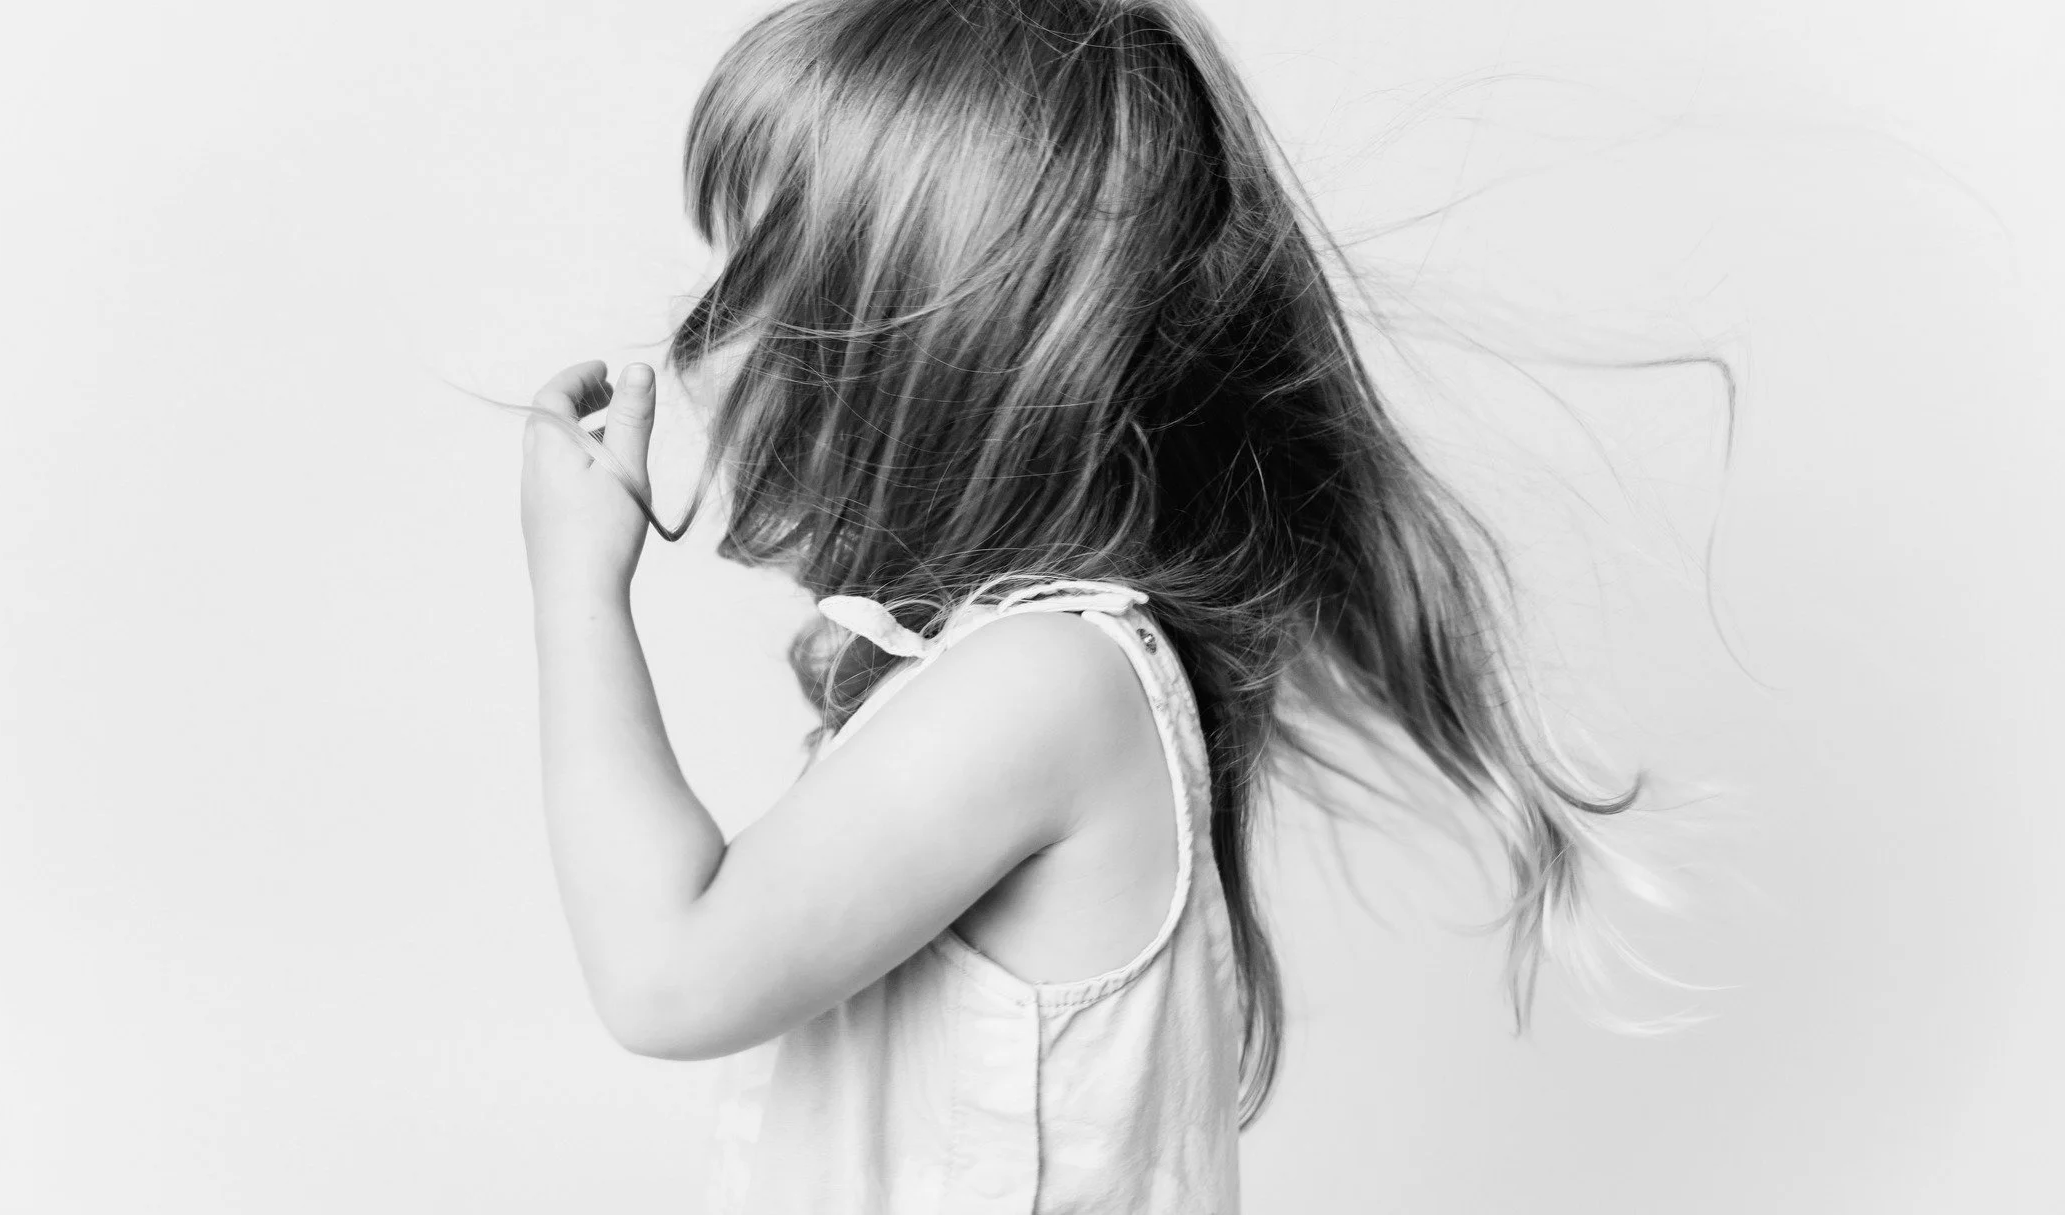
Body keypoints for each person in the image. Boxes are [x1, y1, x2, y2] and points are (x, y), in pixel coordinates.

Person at [498, 1, 1654, 1210]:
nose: (703, 326)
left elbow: (669, 976)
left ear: (904, 332)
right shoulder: (1025, 666)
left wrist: (576, 588)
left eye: (748, 263)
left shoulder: (1044, 679)